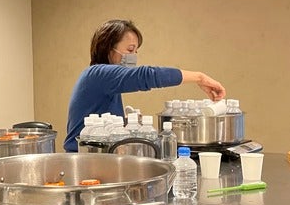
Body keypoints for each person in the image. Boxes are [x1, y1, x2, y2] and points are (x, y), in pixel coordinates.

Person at [64, 19, 226, 152]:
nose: (134, 56)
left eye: (136, 51)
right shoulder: (98, 74)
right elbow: (147, 75)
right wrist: (199, 78)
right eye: (130, 50)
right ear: (108, 48)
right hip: (84, 161)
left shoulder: (107, 81)